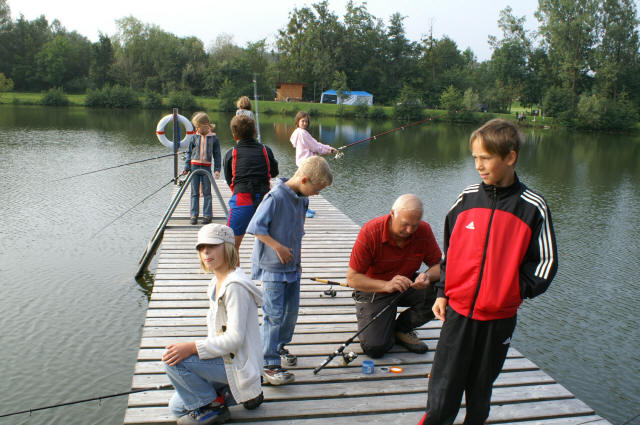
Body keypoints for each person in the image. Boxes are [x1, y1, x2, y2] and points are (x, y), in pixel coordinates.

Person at [420, 118, 558, 425]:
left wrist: (510, 290)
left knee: (480, 391)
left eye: (485, 158)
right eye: (475, 159)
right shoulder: (466, 199)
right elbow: (450, 253)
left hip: (498, 320)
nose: (478, 166)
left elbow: (545, 264)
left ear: (510, 157)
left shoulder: (532, 207)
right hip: (457, 313)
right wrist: (443, 292)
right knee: (442, 391)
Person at [163, 224, 264, 425]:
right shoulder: (216, 282)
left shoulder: (235, 287)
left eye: (212, 246)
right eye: (201, 248)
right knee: (176, 406)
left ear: (227, 247)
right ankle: (233, 394)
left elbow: (234, 339)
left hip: (239, 363)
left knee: (173, 361)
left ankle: (213, 408)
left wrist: (192, 348)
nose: (205, 252)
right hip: (227, 359)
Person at [246, 156, 333, 385]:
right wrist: (278, 247)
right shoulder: (274, 197)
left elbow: (298, 231)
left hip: (293, 268)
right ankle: (269, 364)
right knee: (273, 315)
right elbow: (255, 228)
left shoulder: (303, 199)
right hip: (273, 268)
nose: (317, 194)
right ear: (304, 179)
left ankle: (278, 346)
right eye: (317, 189)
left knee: (290, 313)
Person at [346, 194, 442, 358]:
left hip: (407, 284)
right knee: (375, 348)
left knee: (445, 291)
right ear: (392, 214)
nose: (410, 230)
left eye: (415, 225)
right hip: (374, 289)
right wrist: (386, 286)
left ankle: (401, 328)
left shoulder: (423, 230)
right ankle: (385, 326)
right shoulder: (371, 232)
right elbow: (353, 278)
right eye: (405, 224)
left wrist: (426, 276)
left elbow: (440, 266)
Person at [223, 115, 279, 260]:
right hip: (266, 202)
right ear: (255, 131)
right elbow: (274, 173)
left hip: (242, 201)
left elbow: (230, 180)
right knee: (270, 245)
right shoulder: (266, 150)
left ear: (234, 135)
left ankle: (235, 280)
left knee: (231, 248)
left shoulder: (231, 153)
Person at [289, 111, 337, 217]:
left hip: (304, 163)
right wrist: (326, 151)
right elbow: (315, 147)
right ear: (297, 122)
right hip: (307, 163)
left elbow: (315, 143)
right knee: (305, 187)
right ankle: (302, 209)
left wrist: (329, 148)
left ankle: (304, 207)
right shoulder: (302, 133)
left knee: (305, 186)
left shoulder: (300, 132)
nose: (305, 123)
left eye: (306, 121)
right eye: (302, 121)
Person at [183, 112, 221, 225]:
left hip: (207, 168)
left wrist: (217, 169)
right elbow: (189, 153)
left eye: (198, 126)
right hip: (194, 167)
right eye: (196, 127)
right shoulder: (194, 137)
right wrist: (186, 167)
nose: (197, 128)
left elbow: (217, 155)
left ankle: (207, 215)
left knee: (207, 192)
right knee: (194, 192)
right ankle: (194, 215)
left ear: (206, 125)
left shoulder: (214, 138)